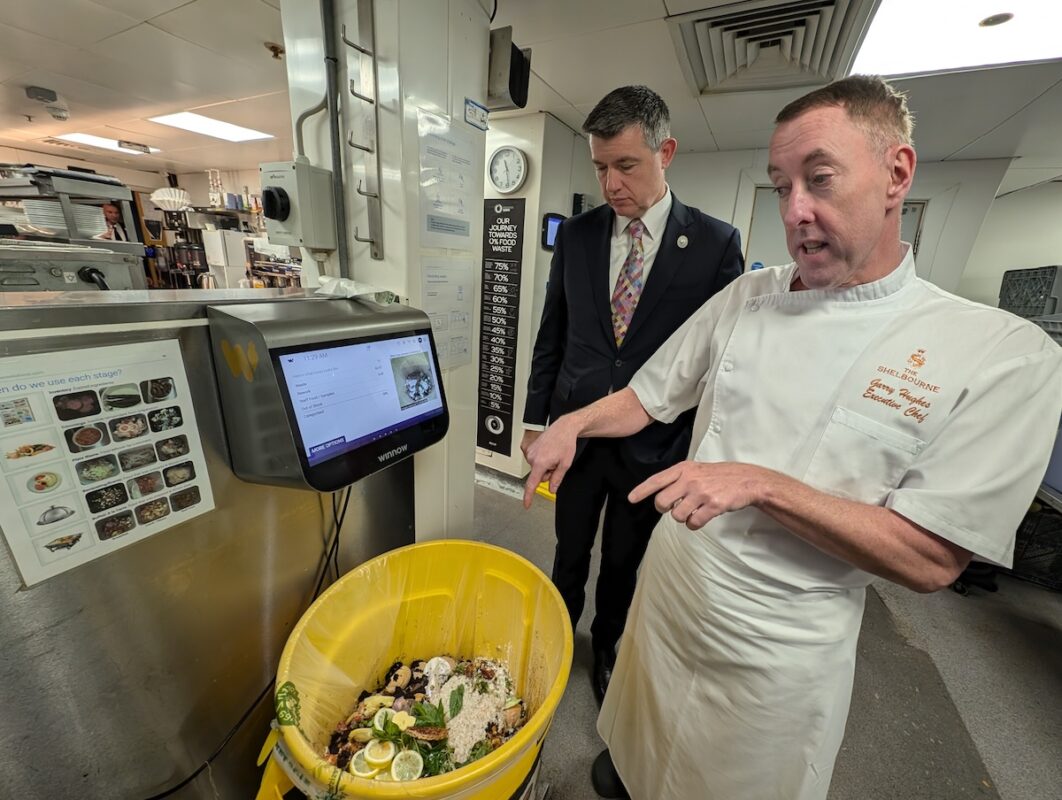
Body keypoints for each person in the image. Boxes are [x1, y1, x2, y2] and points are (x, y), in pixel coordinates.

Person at [523, 75, 1062, 800]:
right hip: (675, 586)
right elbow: (650, 394)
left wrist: (762, 483)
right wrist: (571, 423)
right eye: (780, 188)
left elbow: (932, 556)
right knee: (631, 746)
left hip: (779, 640)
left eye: (820, 179)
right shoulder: (751, 295)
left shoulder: (999, 353)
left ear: (897, 173)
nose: (796, 212)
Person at [520, 85, 743, 704]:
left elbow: (715, 365)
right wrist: (538, 420)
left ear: (664, 151)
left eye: (625, 165)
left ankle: (608, 642)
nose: (611, 183)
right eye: (599, 167)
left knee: (622, 559)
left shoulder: (715, 245)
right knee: (569, 546)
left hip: (652, 443)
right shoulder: (580, 235)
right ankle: (560, 634)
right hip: (577, 434)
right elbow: (552, 332)